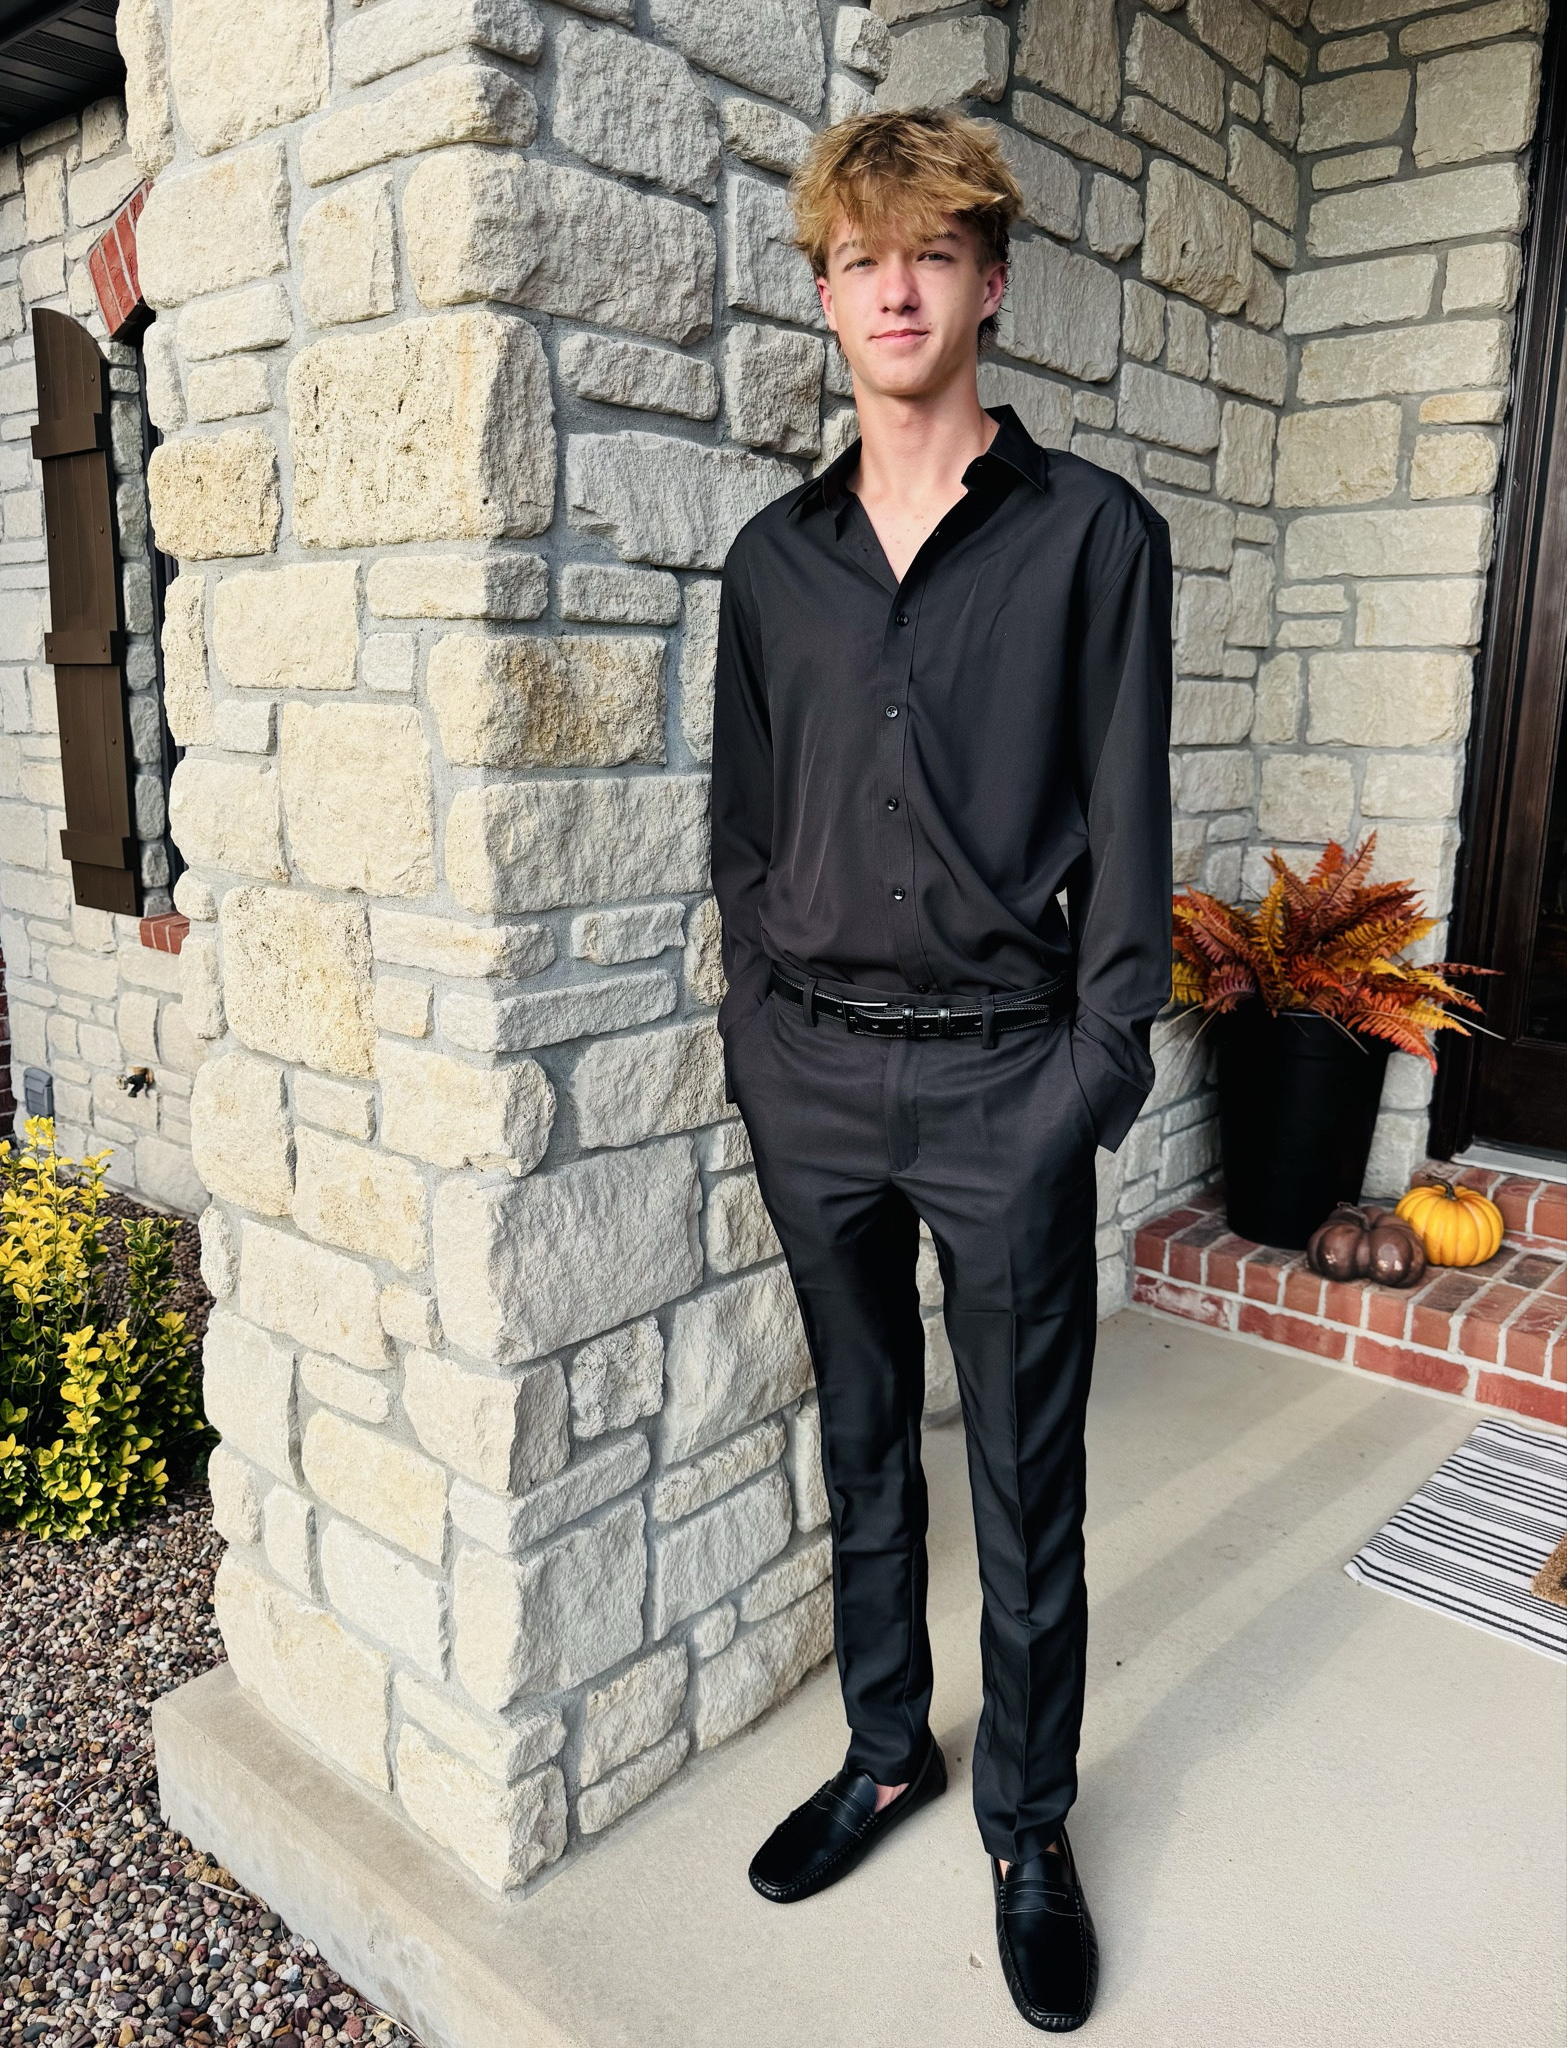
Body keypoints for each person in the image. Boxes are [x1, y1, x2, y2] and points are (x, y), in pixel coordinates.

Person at [709, 109, 1174, 2032]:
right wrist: (752, 1042)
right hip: (810, 1079)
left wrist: (1090, 1077)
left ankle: (1030, 1819)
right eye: (856, 258)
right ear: (828, 295)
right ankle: (888, 1746)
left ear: (991, 279)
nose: (893, 285)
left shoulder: (1093, 539)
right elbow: (741, 839)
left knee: (1026, 1474)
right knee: (861, 1442)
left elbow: (1133, 837)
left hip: (1009, 1090)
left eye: (931, 252)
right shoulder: (774, 563)